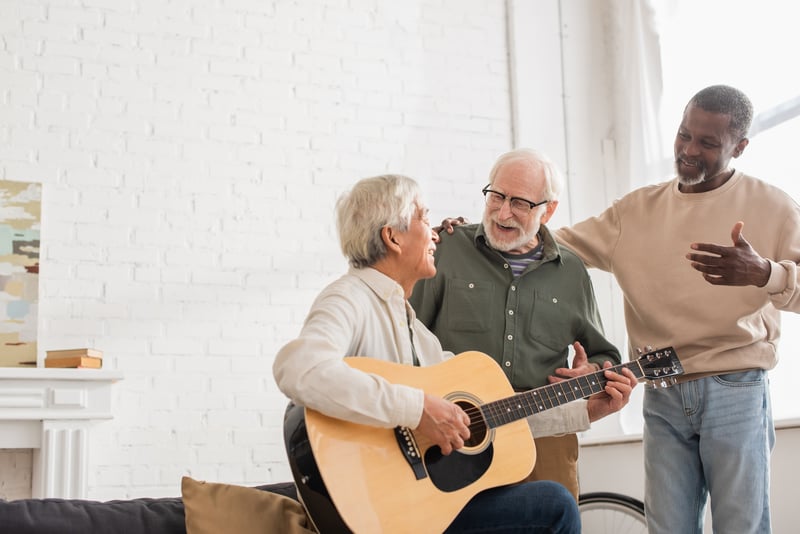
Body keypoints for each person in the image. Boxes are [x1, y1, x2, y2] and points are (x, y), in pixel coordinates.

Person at [274, 174, 638, 533]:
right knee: (553, 506)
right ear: (393, 237)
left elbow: (494, 413)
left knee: (545, 498)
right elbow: (299, 368)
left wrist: (587, 409)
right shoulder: (349, 297)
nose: (436, 234)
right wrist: (417, 409)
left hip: (419, 500)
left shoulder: (415, 331)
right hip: (380, 505)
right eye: (425, 220)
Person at [553, 84, 800, 533]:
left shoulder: (775, 207)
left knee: (740, 527)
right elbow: (553, 245)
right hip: (662, 390)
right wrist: (469, 234)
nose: (688, 150)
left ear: (740, 147)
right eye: (684, 135)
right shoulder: (635, 211)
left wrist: (766, 273)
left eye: (707, 143)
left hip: (735, 389)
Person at [409, 148, 624, 501]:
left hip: (546, 440)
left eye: (520, 203)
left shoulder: (571, 271)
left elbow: (604, 355)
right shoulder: (447, 246)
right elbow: (407, 336)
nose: (503, 212)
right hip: (456, 435)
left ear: (548, 209)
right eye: (496, 196)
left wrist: (596, 370)